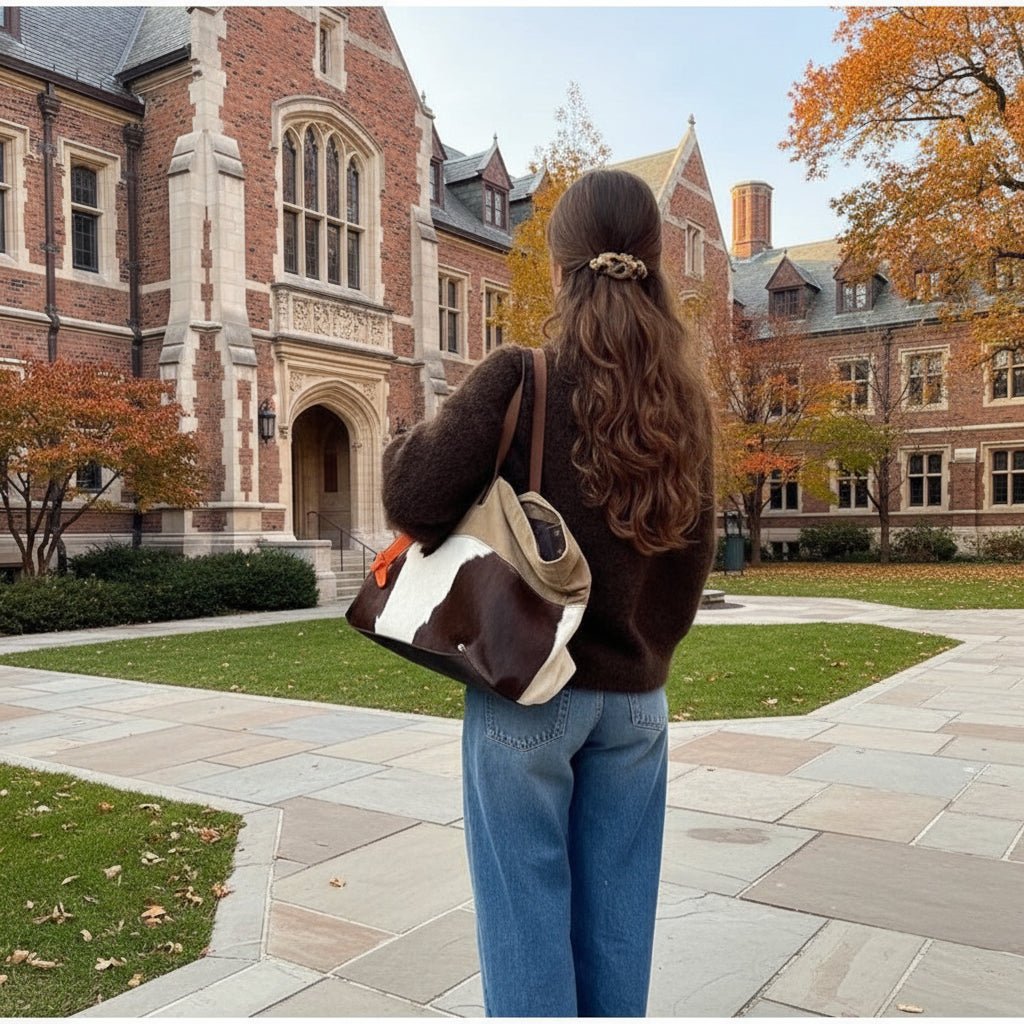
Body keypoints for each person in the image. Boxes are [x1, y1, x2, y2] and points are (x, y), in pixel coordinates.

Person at [381, 168, 716, 1017]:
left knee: (524, 919)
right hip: (636, 703)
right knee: (619, 925)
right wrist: (644, 653)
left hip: (528, 691)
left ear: (561, 267)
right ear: (653, 264)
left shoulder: (521, 375)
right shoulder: (685, 403)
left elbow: (414, 499)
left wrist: (400, 438)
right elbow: (694, 563)